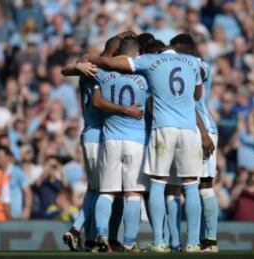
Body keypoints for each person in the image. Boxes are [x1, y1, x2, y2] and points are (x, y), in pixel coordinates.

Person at [87, 33, 204, 253]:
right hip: (188, 129)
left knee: (154, 185)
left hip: (160, 129)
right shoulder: (194, 62)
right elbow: (198, 94)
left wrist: (92, 58)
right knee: (190, 186)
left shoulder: (149, 63)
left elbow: (110, 63)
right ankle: (193, 243)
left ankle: (158, 241)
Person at [61, 32, 143, 252]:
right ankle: (81, 231)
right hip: (101, 136)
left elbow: (66, 70)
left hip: (91, 133)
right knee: (101, 191)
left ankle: (94, 238)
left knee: (101, 190)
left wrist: (77, 67)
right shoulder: (101, 68)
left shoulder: (90, 66)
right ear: (116, 53)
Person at [93, 36, 150, 253]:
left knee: (106, 192)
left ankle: (102, 236)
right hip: (137, 141)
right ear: (136, 55)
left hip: (110, 139)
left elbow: (95, 101)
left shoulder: (103, 73)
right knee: (133, 194)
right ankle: (128, 242)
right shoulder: (145, 76)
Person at [169, 34, 218, 252]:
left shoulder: (200, 65)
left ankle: (209, 241)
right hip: (186, 129)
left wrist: (204, 133)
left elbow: (194, 92)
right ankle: (183, 241)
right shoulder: (180, 66)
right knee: (181, 187)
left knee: (204, 186)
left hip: (203, 128)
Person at [0, 147, 32, 220]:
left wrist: (27, 209)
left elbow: (28, 192)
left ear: (7, 157)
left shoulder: (17, 172)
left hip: (16, 216)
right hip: (2, 216)